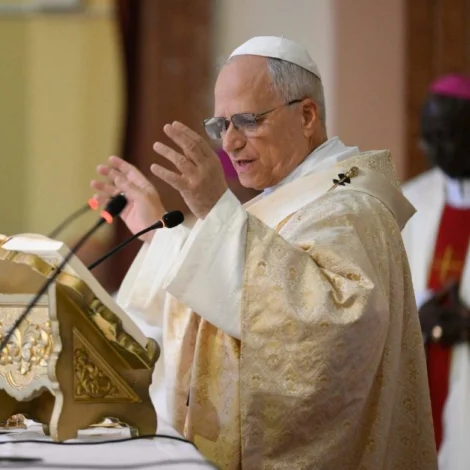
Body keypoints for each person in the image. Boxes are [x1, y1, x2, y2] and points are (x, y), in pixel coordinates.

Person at [91, 36, 437, 468]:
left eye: (246, 121)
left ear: (306, 115)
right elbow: (233, 278)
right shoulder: (289, 195)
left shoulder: (351, 208)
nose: (229, 143)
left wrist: (215, 210)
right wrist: (159, 231)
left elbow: (328, 328)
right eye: (221, 126)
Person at [401, 74, 470, 470]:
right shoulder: (410, 200)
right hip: (423, 374)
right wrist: (417, 314)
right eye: (427, 136)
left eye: (445, 135)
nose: (432, 148)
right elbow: (383, 297)